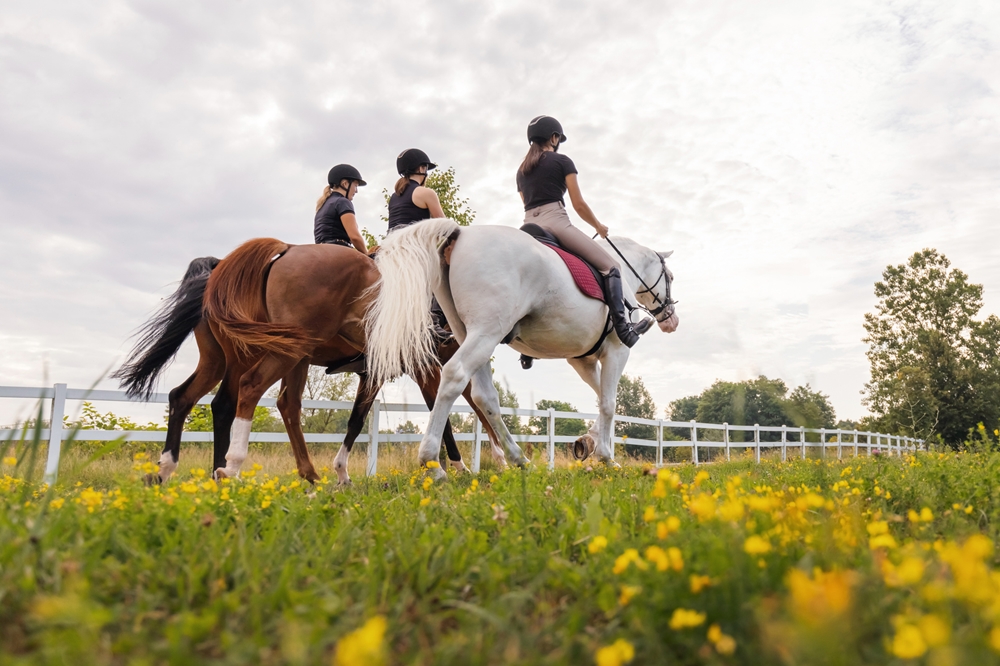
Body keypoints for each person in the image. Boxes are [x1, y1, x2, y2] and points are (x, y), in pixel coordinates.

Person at [516, 115, 650, 348]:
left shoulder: (521, 172)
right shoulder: (562, 161)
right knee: (612, 267)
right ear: (554, 137)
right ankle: (624, 330)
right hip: (556, 222)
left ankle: (526, 350)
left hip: (529, 225)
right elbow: (578, 204)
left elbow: (525, 203)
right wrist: (598, 226)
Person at [387, 148, 445, 233]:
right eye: (426, 168)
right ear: (421, 169)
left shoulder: (394, 197)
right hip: (412, 243)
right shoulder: (426, 193)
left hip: (390, 242)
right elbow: (445, 226)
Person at [314, 164, 369, 253]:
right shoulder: (342, 202)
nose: (356, 191)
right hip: (338, 250)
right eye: (355, 185)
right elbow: (354, 237)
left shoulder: (323, 204)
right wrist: (367, 255)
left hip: (320, 251)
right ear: (345, 183)